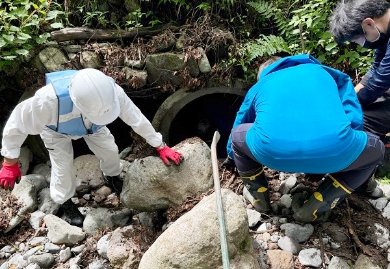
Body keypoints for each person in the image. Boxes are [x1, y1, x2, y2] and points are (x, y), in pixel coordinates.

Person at [0, 68, 184, 226]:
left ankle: (111, 177)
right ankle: (65, 202)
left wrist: (160, 145)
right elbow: (17, 123)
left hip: (94, 127)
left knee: (111, 150)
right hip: (56, 131)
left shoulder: (111, 91)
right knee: (62, 166)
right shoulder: (48, 101)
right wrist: (10, 161)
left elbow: (136, 118)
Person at [222, 54, 384, 223]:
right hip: (335, 151)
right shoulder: (326, 73)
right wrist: (348, 147)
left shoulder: (261, 85)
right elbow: (352, 112)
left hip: (272, 153)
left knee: (238, 135)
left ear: (265, 73)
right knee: (377, 149)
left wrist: (231, 156)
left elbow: (241, 121)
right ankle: (317, 206)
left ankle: (259, 199)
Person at [329, 0, 390, 175]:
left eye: (357, 40)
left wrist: (345, 107)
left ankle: (361, 174)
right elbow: (375, 71)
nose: (360, 44)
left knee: (360, 119)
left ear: (368, 23)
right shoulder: (385, 36)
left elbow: (378, 83)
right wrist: (348, 97)